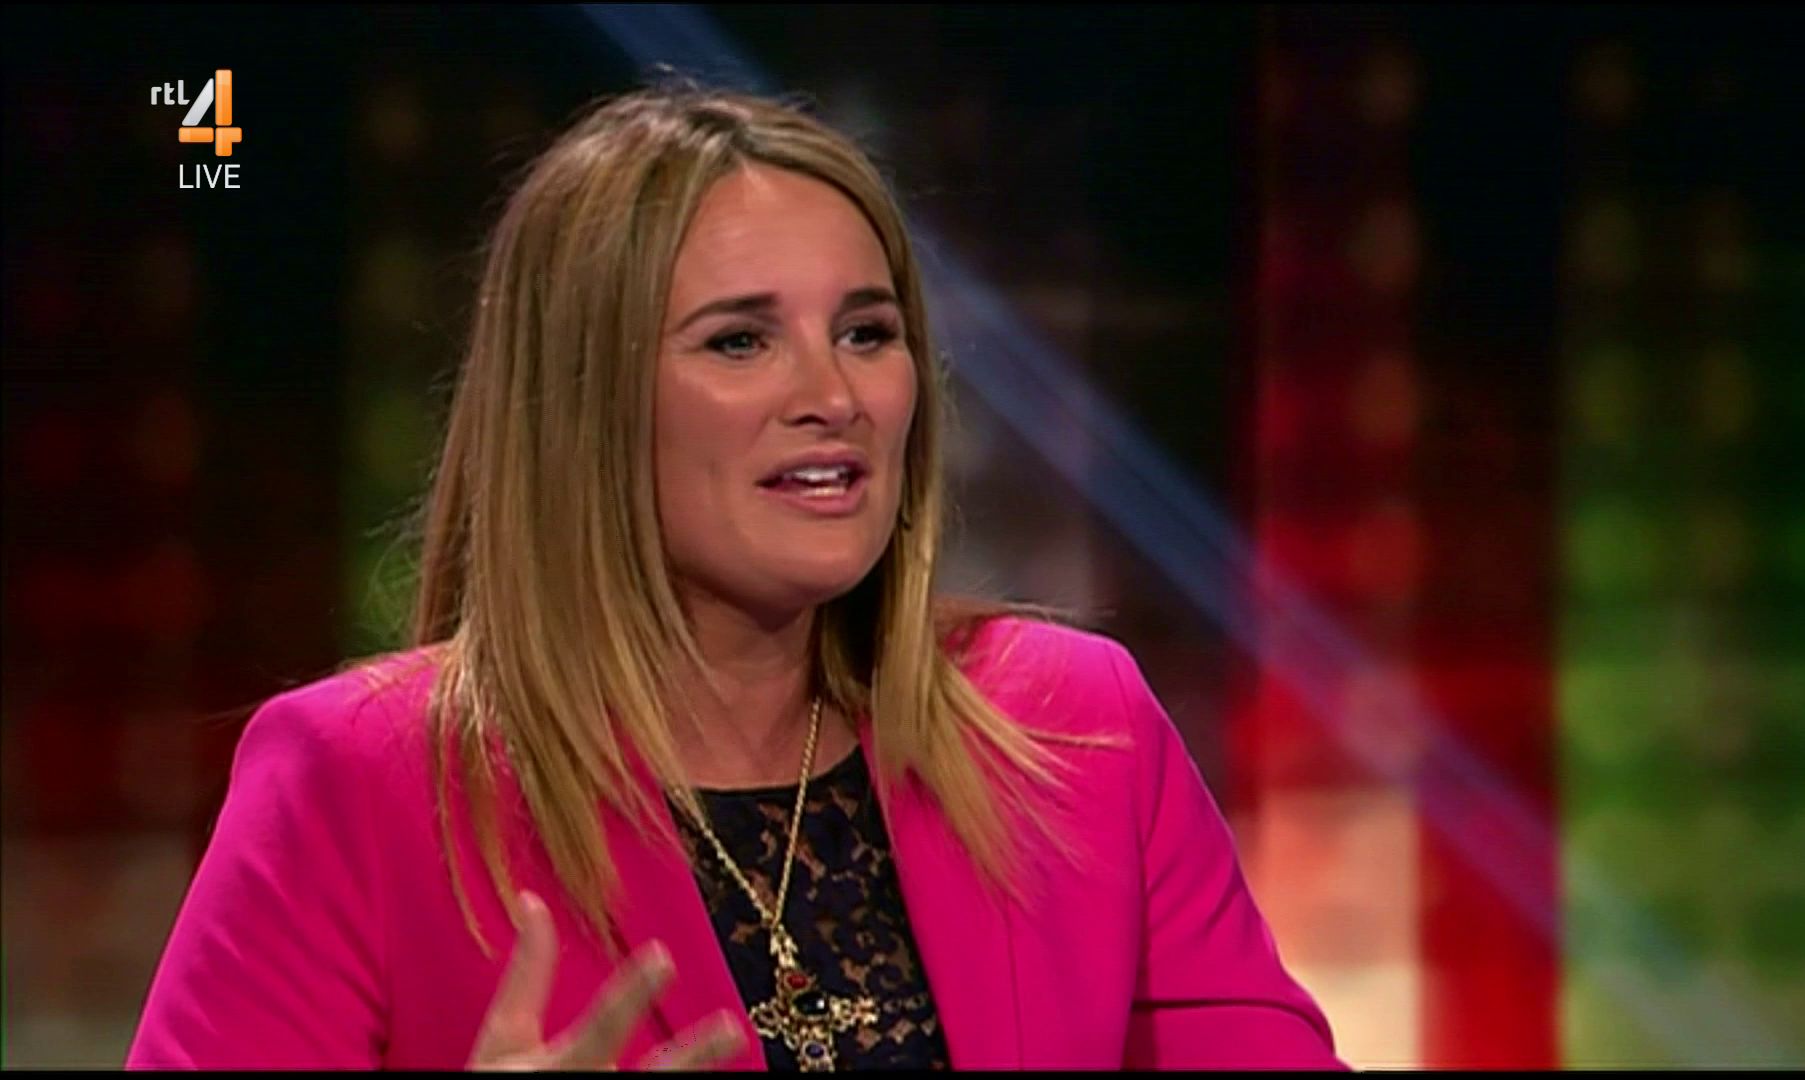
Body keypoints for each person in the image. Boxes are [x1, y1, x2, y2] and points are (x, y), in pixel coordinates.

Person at [125, 85, 1343, 1071]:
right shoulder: (360, 784)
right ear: (586, 405)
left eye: (866, 332)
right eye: (741, 340)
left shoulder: (1076, 730)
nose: (834, 395)